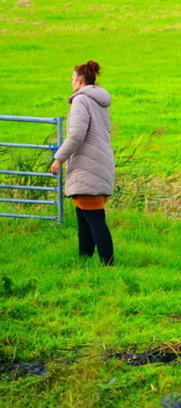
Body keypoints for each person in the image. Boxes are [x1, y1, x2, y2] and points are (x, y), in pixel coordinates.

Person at [50, 60, 115, 266]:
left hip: (87, 165)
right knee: (84, 216)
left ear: (79, 79)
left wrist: (59, 158)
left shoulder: (81, 101)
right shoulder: (99, 100)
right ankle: (84, 260)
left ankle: (109, 265)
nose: (71, 83)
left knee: (95, 219)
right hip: (100, 162)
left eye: (72, 79)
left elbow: (76, 134)